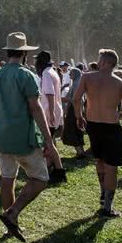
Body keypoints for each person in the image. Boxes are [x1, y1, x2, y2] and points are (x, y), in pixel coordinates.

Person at [0, 33, 57, 242]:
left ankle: (10, 224)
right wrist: (49, 138)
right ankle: (13, 213)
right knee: (40, 178)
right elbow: (35, 108)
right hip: (23, 138)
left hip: (3, 135)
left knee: (7, 179)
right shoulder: (26, 75)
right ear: (24, 53)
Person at [73, 49, 122, 218]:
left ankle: (102, 193)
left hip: (93, 124)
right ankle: (107, 207)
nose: (97, 62)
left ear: (106, 62)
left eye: (99, 59)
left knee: (99, 160)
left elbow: (76, 99)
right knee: (111, 166)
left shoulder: (87, 77)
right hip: (111, 126)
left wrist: (79, 117)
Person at [35, 50, 67, 184]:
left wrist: (52, 113)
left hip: (49, 112)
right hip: (53, 110)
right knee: (50, 143)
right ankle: (50, 168)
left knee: (48, 143)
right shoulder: (52, 71)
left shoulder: (46, 73)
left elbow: (50, 94)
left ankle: (58, 170)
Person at [61, 68, 86, 159]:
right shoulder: (76, 83)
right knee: (76, 130)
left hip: (75, 110)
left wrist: (66, 99)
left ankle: (80, 152)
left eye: (71, 74)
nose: (70, 75)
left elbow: (77, 99)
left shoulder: (77, 84)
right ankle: (80, 151)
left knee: (73, 130)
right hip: (75, 109)